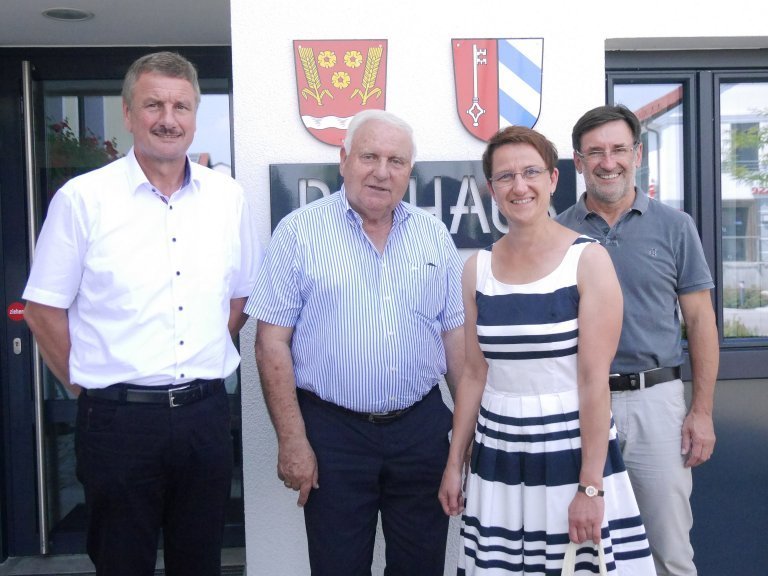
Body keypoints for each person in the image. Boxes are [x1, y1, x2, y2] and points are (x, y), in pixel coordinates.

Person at [22, 51, 261, 576]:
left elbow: (240, 300)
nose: (168, 118)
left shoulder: (228, 199)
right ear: (128, 114)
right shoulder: (83, 199)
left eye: (181, 106)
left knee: (199, 562)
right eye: (153, 104)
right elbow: (42, 311)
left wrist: (199, 349)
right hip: (117, 421)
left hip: (203, 417)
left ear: (195, 116)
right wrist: (85, 385)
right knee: (120, 562)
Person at [246, 109, 464, 575]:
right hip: (333, 435)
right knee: (338, 567)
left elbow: (455, 340)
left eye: (396, 160)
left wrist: (465, 437)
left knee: (421, 567)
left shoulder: (433, 237)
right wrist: (292, 440)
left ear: (410, 171)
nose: (382, 172)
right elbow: (270, 344)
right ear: (343, 160)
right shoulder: (299, 234)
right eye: (369, 156)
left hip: (421, 430)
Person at [439, 126, 655, 575]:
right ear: (491, 189)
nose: (520, 186)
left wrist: (591, 488)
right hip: (497, 451)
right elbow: (475, 375)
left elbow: (594, 381)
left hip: (569, 450)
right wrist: (454, 462)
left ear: (553, 179)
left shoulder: (588, 260)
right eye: (506, 177)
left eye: (531, 172)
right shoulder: (476, 269)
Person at [556, 104, 719, 576]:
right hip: (579, 404)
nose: (609, 162)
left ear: (638, 154)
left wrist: (702, 412)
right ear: (578, 161)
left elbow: (701, 321)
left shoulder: (676, 227)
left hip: (656, 404)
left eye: (619, 149)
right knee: (586, 549)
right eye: (596, 152)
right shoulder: (557, 233)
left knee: (669, 551)